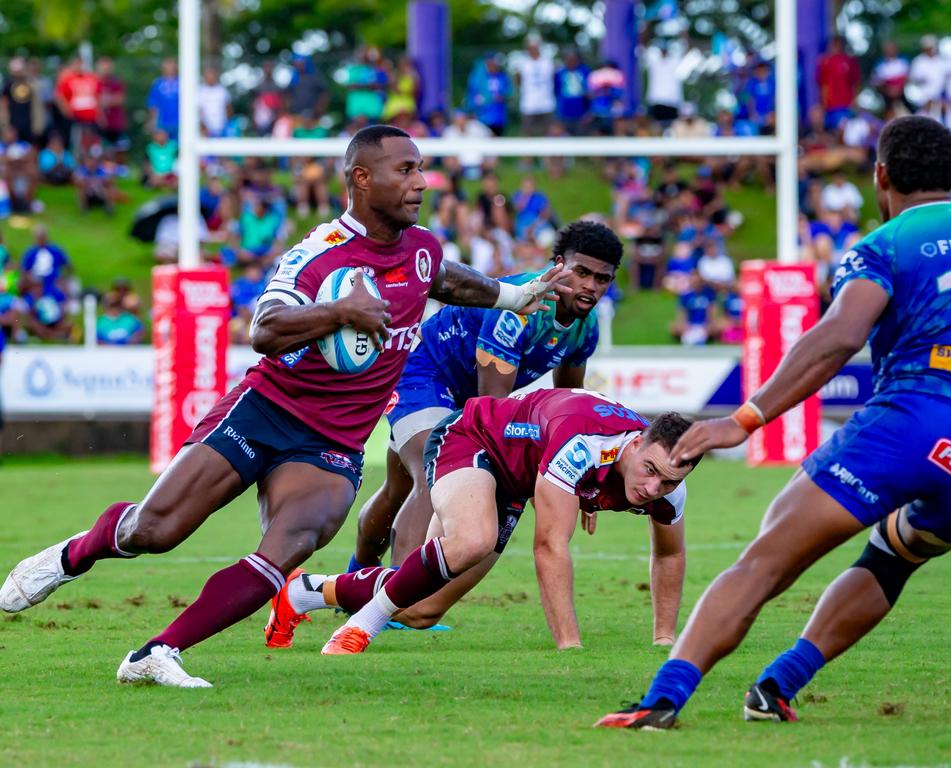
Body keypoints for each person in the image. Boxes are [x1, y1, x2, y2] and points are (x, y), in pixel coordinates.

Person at [0, 125, 567, 688]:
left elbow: (441, 279)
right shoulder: (318, 256)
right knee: (155, 530)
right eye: (407, 170)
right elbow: (264, 328)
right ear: (362, 179)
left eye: (421, 169)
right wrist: (341, 312)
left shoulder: (421, 248)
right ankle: (74, 554)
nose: (422, 181)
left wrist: (516, 294)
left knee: (293, 543)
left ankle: (157, 652)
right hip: (264, 411)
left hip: (333, 444)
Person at [596, 115, 951, 730]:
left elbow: (839, 336)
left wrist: (744, 419)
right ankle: (777, 687)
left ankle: (661, 700)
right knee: (894, 557)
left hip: (912, 423)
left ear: (880, 176)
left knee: (764, 563)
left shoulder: (890, 243)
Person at [270, 389, 700, 656]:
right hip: (472, 439)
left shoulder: (664, 484)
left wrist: (664, 639)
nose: (653, 487)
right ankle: (358, 629)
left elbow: (671, 552)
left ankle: (306, 592)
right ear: (637, 440)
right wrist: (571, 649)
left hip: (514, 482)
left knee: (421, 609)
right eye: (649, 470)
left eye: (668, 481)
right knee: (474, 539)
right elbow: (550, 546)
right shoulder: (583, 442)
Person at [328, 219, 621, 598]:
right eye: (582, 272)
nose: (590, 287)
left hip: (464, 396)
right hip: (423, 374)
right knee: (432, 477)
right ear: (558, 264)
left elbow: (569, 405)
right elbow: (491, 410)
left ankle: (356, 577)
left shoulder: (586, 327)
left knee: (396, 489)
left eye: (602, 279)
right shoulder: (521, 306)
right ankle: (396, 599)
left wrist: (580, 476)